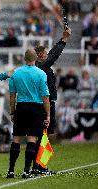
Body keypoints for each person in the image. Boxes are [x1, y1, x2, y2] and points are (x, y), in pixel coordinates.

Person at [7, 48, 50, 179]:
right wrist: (47, 114)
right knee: (32, 138)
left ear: (24, 59)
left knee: (16, 138)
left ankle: (11, 170)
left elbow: (12, 96)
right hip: (36, 108)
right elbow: (45, 96)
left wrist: (12, 112)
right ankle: (26, 171)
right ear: (36, 58)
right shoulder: (41, 74)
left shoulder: (16, 74)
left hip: (21, 106)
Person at [33, 26, 71, 174]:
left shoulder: (42, 66)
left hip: (45, 103)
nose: (45, 56)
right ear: (36, 57)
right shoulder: (40, 67)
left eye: (44, 54)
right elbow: (54, 55)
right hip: (44, 104)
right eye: (41, 55)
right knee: (42, 134)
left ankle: (39, 165)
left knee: (42, 134)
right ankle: (40, 166)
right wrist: (64, 39)